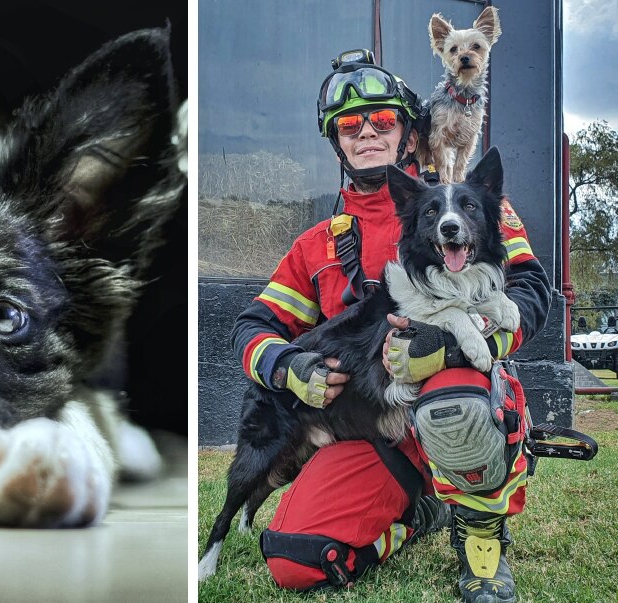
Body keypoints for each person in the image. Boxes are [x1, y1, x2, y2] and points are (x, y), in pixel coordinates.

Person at [231, 49, 550, 602]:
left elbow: (531, 290)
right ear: (337, 142)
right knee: (295, 562)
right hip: (373, 430)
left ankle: (481, 539)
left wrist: (456, 347)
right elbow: (253, 325)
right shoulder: (316, 245)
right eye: (350, 126)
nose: (367, 133)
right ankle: (419, 512)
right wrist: (287, 367)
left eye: (382, 119)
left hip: (463, 401)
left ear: (408, 133)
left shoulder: (468, 205)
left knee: (454, 390)